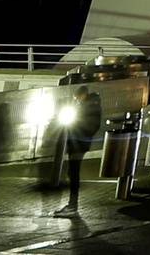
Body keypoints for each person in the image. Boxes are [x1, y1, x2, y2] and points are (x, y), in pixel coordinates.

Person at [55, 86, 102, 216]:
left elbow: (92, 126)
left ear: (83, 95)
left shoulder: (91, 106)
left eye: (77, 97)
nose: (76, 100)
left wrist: (76, 128)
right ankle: (72, 205)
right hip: (77, 143)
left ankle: (72, 206)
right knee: (72, 173)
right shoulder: (86, 105)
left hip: (79, 144)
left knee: (74, 174)